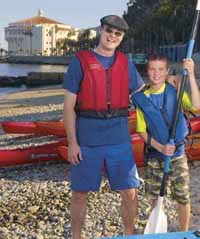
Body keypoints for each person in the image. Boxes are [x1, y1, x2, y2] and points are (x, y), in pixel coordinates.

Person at [63, 15, 144, 239]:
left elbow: (143, 97)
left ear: (122, 37)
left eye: (118, 34)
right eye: (109, 31)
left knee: (129, 191)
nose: (113, 36)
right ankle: (76, 236)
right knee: (80, 193)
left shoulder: (125, 63)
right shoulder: (80, 61)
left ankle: (129, 235)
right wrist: (72, 143)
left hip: (119, 140)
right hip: (87, 140)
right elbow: (68, 107)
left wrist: (168, 91)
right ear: (101, 30)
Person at [133, 54, 200, 231]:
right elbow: (141, 132)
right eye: (152, 69)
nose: (156, 74)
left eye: (160, 69)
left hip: (177, 156)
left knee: (182, 197)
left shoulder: (175, 92)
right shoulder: (142, 98)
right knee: (155, 199)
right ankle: (157, 232)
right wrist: (160, 146)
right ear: (147, 71)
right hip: (155, 156)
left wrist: (191, 75)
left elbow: (196, 106)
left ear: (166, 71)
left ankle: (184, 232)